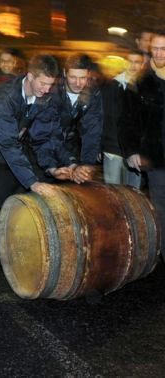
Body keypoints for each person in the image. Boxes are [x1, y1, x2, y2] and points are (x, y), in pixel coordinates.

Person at [0, 54, 91, 274]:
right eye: (42, 83)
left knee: (20, 202)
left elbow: (46, 136)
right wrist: (33, 182)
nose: (46, 89)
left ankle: (12, 249)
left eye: (50, 84)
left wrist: (56, 166)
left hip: (17, 148)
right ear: (30, 76)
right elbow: (7, 144)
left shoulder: (45, 97)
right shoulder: (3, 97)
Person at [121, 30, 165, 259]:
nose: (159, 53)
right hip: (157, 159)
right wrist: (132, 151)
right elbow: (128, 121)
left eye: (163, 48)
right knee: (162, 210)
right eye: (155, 48)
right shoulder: (140, 83)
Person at [101, 50, 145, 187]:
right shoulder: (112, 86)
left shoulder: (145, 89)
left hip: (136, 150)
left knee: (134, 194)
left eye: (137, 62)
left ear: (142, 65)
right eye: (130, 62)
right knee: (114, 193)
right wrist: (99, 145)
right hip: (113, 149)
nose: (133, 66)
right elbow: (102, 117)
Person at [52, 53, 103, 165]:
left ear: (89, 74)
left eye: (82, 78)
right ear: (65, 73)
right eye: (73, 77)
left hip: (71, 147)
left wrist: (87, 165)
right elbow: (48, 134)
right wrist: (70, 161)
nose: (78, 83)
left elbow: (92, 130)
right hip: (43, 150)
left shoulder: (93, 94)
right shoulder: (51, 91)